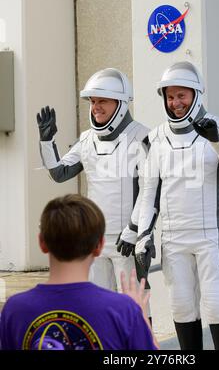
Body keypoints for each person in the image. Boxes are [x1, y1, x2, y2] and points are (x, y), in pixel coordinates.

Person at [135, 61, 219, 350]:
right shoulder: (155, 138)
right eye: (170, 97)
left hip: (213, 234)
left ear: (196, 93)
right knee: (183, 307)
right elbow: (149, 192)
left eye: (181, 96)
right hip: (174, 236)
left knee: (217, 306)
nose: (175, 103)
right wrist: (142, 235)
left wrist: (216, 140)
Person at [36, 68, 154, 293]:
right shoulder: (87, 138)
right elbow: (59, 173)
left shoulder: (143, 137)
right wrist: (47, 141)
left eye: (103, 101)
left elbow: (150, 191)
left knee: (135, 307)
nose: (95, 107)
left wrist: (135, 230)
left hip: (127, 239)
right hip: (94, 239)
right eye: (92, 101)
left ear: (120, 103)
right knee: (98, 307)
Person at [0, 194, 158, 350]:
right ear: (99, 246)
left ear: (42, 242)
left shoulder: (14, 310)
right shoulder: (122, 309)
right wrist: (141, 316)